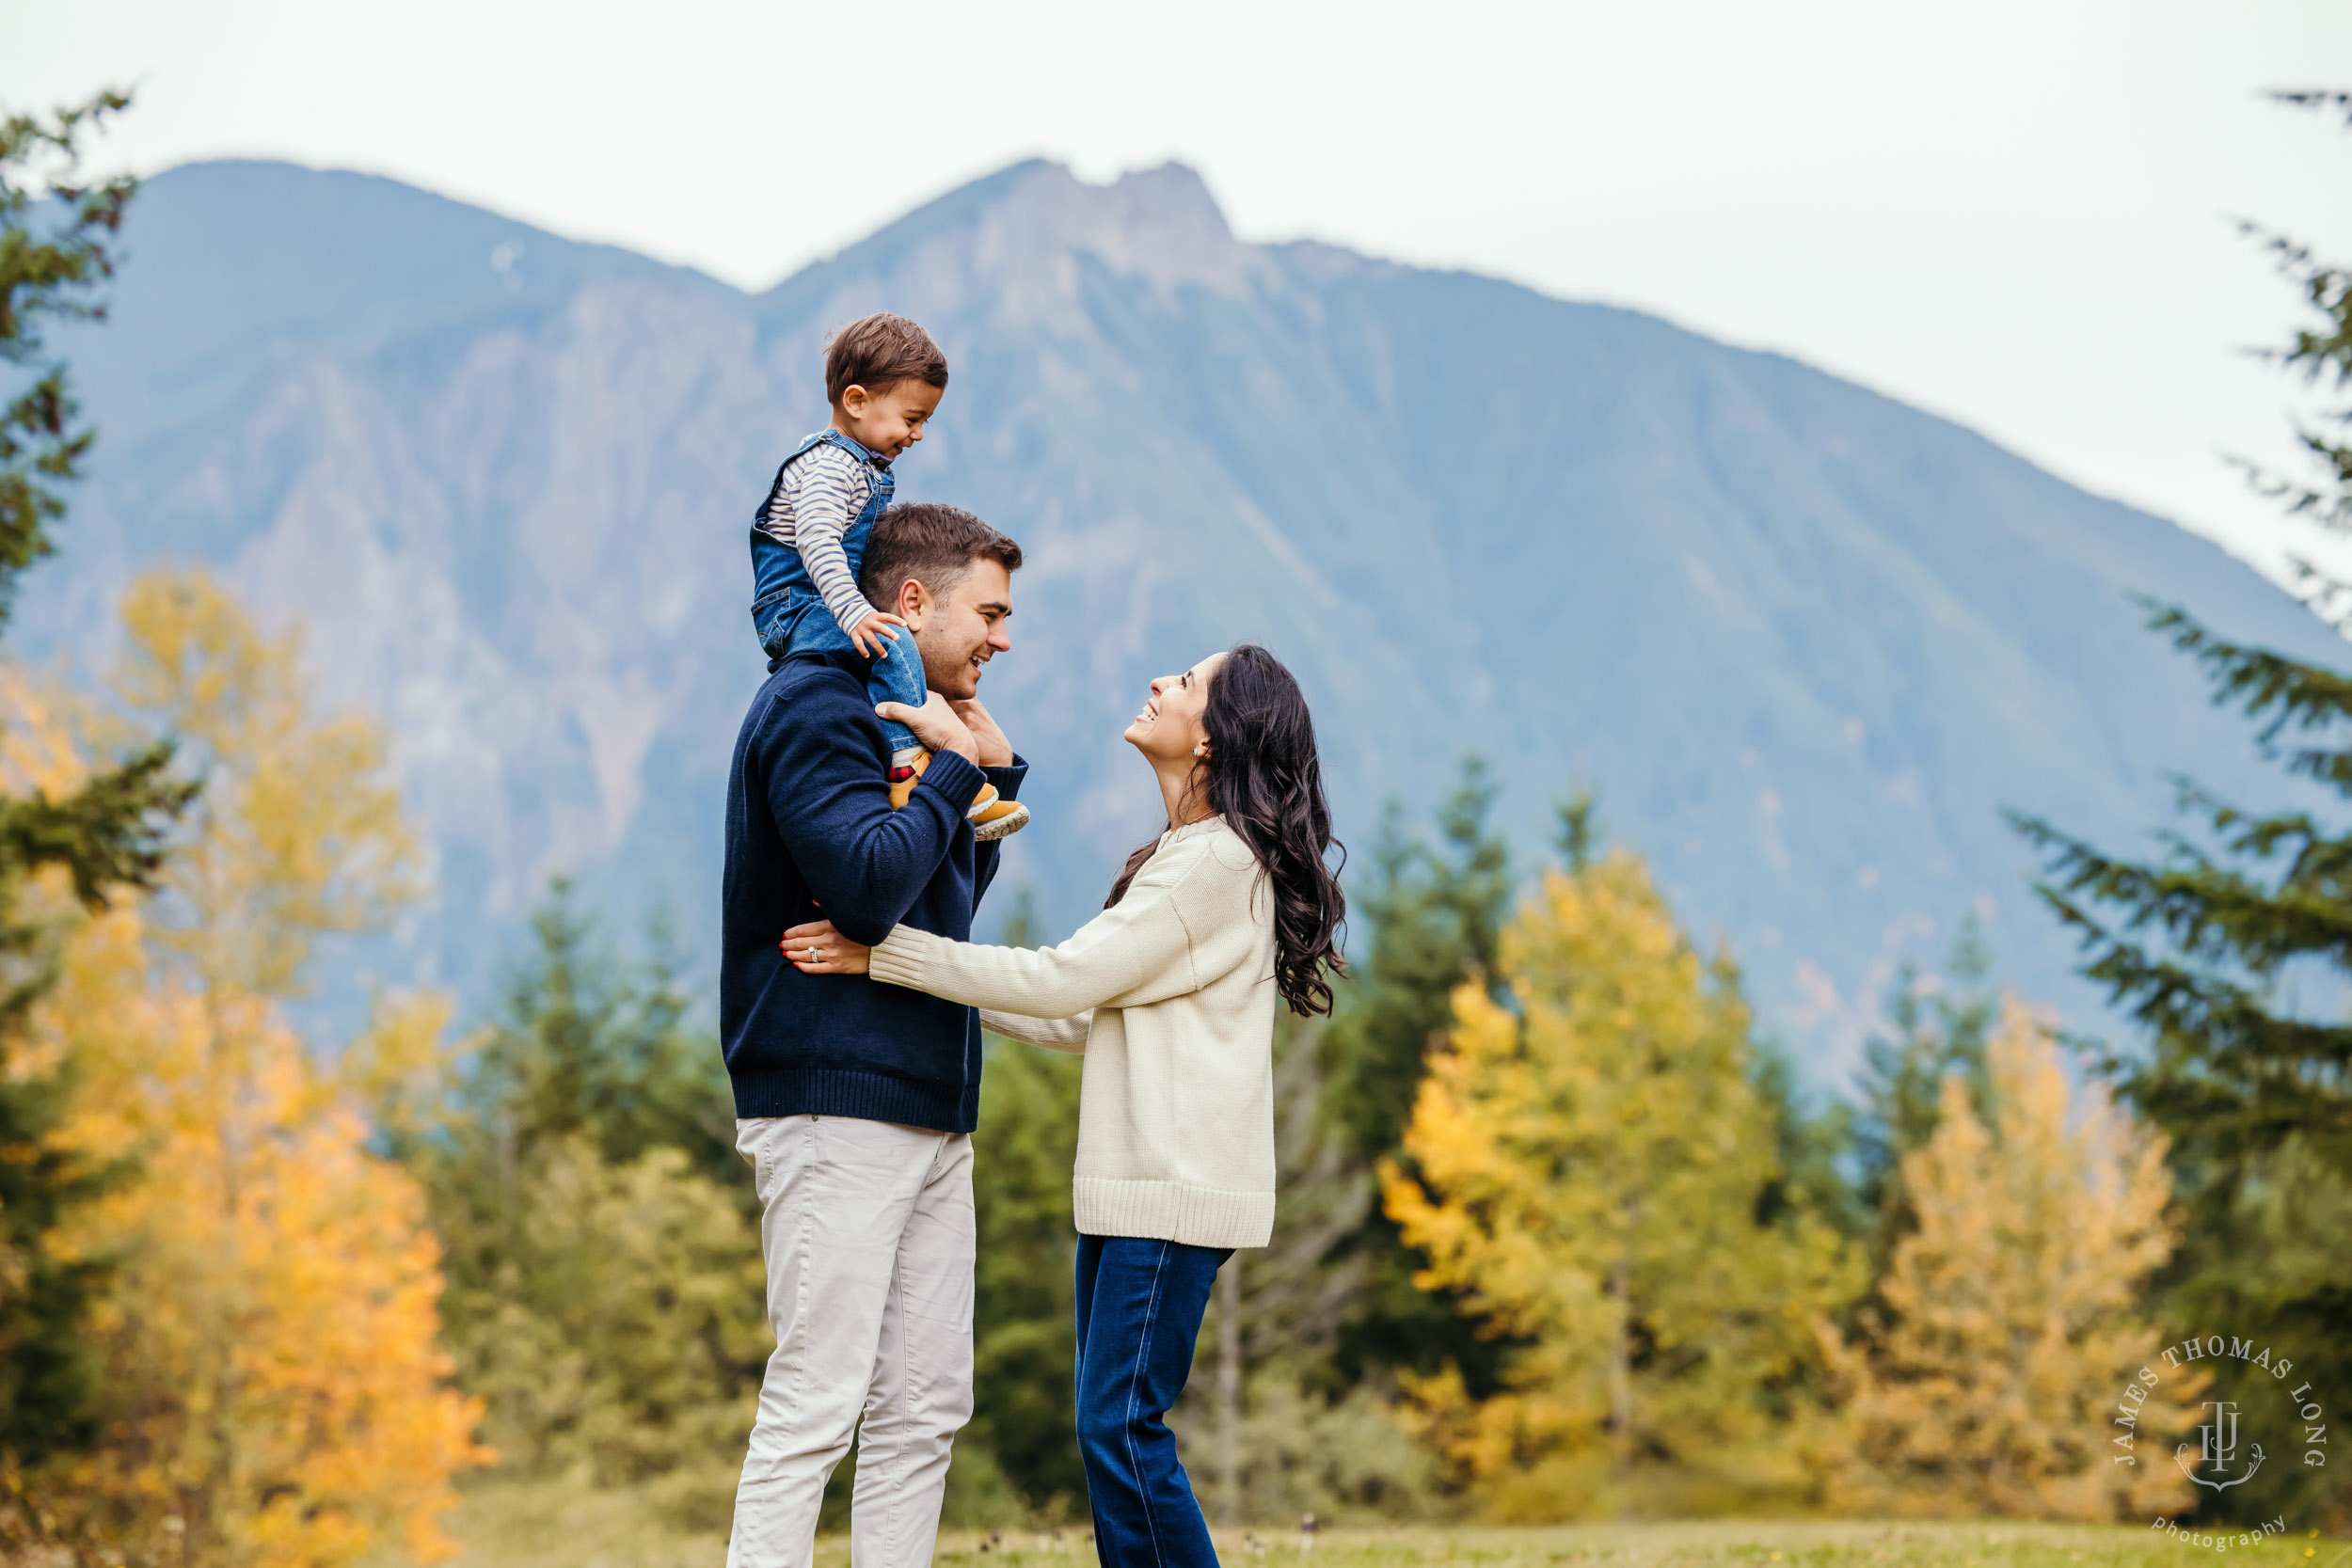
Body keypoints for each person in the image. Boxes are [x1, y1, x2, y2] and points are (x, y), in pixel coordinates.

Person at [783, 644, 1346, 1568]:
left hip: (1169, 1189)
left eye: (1189, 682)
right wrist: (911, 971)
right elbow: (1083, 1012)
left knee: (1122, 1430)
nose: (1162, 681)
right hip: (1141, 1191)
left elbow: (1060, 978)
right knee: (1114, 1431)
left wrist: (884, 949)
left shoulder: (1213, 864)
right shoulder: (1187, 856)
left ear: (1213, 738)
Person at [722, 501, 1030, 1568]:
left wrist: (984, 776)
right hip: (829, 1095)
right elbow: (862, 890)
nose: (1001, 637)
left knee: (926, 1405)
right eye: (987, 613)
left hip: (927, 1098)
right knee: (817, 1399)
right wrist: (951, 768)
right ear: (909, 601)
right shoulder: (815, 704)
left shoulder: (903, 709)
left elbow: (934, 897)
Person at [747, 310, 1027, 839]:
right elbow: (816, 537)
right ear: (855, 401)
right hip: (798, 605)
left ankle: (925, 767)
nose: (918, 434)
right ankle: (911, 762)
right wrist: (856, 612)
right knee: (890, 641)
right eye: (912, 417)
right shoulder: (832, 464)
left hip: (818, 604)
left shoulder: (862, 466)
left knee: (885, 649)